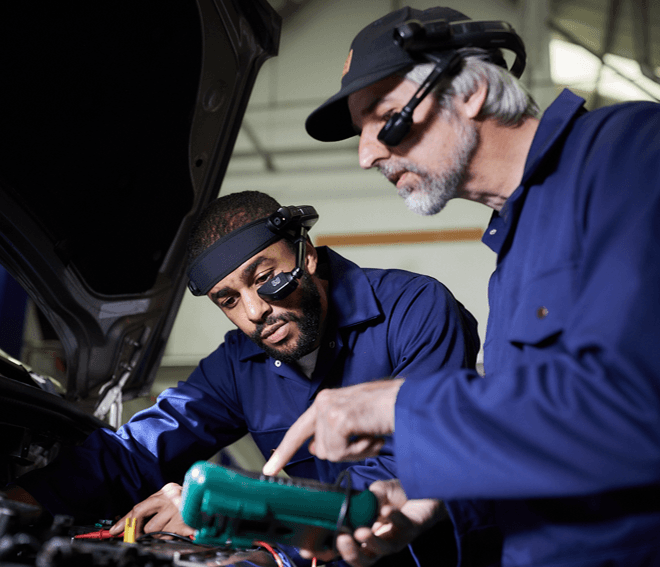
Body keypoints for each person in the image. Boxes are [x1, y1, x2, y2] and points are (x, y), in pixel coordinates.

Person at [263, 5, 660, 567]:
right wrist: (433, 496)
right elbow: (546, 437)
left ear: (467, 92)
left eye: (383, 116)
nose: (366, 153)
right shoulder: (512, 259)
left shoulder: (629, 153)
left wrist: (402, 406)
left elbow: (636, 406)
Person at [6, 190, 479, 566]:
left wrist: (237, 511)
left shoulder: (414, 310)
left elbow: (407, 466)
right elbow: (136, 452)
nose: (255, 312)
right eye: (228, 300)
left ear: (307, 254)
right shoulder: (237, 364)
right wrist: (19, 502)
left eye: (264, 277)